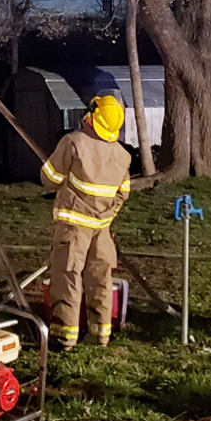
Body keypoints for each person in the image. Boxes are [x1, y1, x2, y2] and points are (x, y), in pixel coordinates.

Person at [40, 95, 132, 352]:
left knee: (67, 278)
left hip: (73, 229)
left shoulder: (73, 143)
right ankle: (101, 334)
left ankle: (64, 337)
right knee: (100, 279)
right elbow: (122, 193)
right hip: (102, 230)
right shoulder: (123, 156)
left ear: (93, 117)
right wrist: (106, 215)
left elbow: (49, 178)